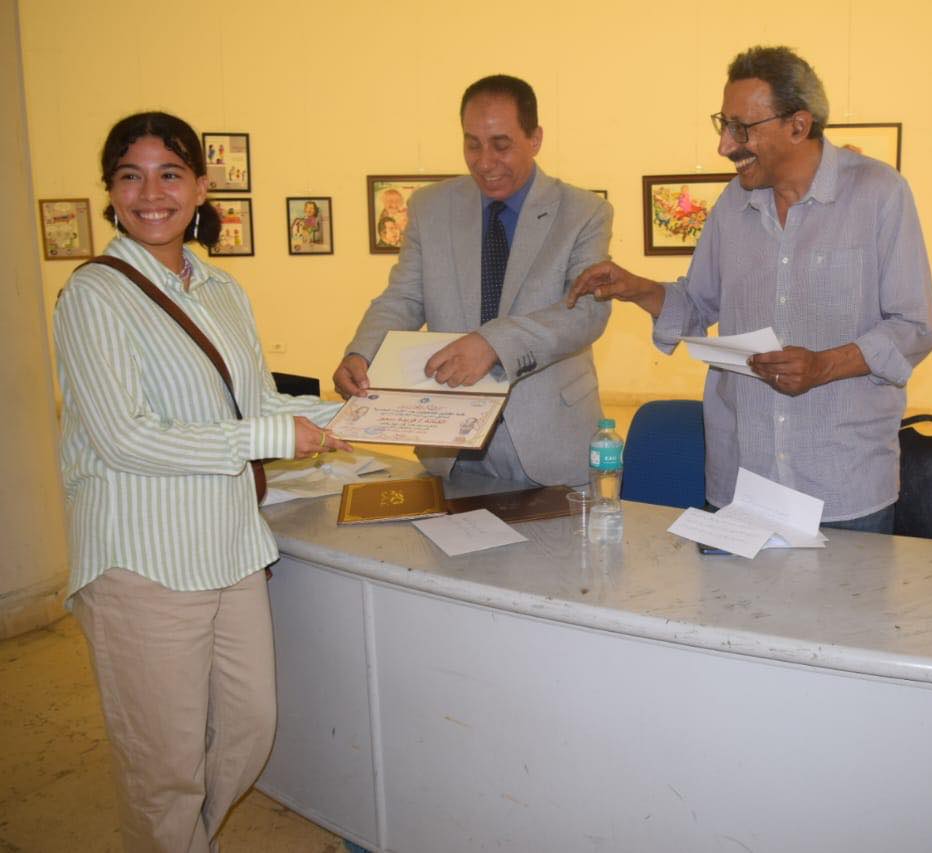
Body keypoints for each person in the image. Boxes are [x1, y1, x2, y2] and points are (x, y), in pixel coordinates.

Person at [53, 111, 352, 852]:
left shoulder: (221, 288)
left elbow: (255, 403)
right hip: (143, 562)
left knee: (250, 725)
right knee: (164, 767)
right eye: (130, 176)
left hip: (229, 549)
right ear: (110, 190)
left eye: (169, 174)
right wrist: (272, 437)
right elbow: (125, 437)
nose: (151, 193)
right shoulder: (93, 296)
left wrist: (361, 412)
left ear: (200, 187)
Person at [568, 45, 932, 530]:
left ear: (798, 125)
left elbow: (914, 327)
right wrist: (635, 287)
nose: (724, 146)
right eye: (723, 125)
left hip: (842, 485)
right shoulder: (731, 205)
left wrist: (824, 365)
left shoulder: (878, 194)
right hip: (741, 479)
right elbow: (696, 304)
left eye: (741, 129)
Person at [335, 74, 612, 486]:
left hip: (549, 441)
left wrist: (494, 344)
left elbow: (586, 314)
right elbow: (403, 297)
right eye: (472, 144)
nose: (484, 162)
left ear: (535, 139)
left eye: (501, 145)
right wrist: (362, 352)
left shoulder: (584, 212)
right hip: (450, 444)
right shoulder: (430, 208)